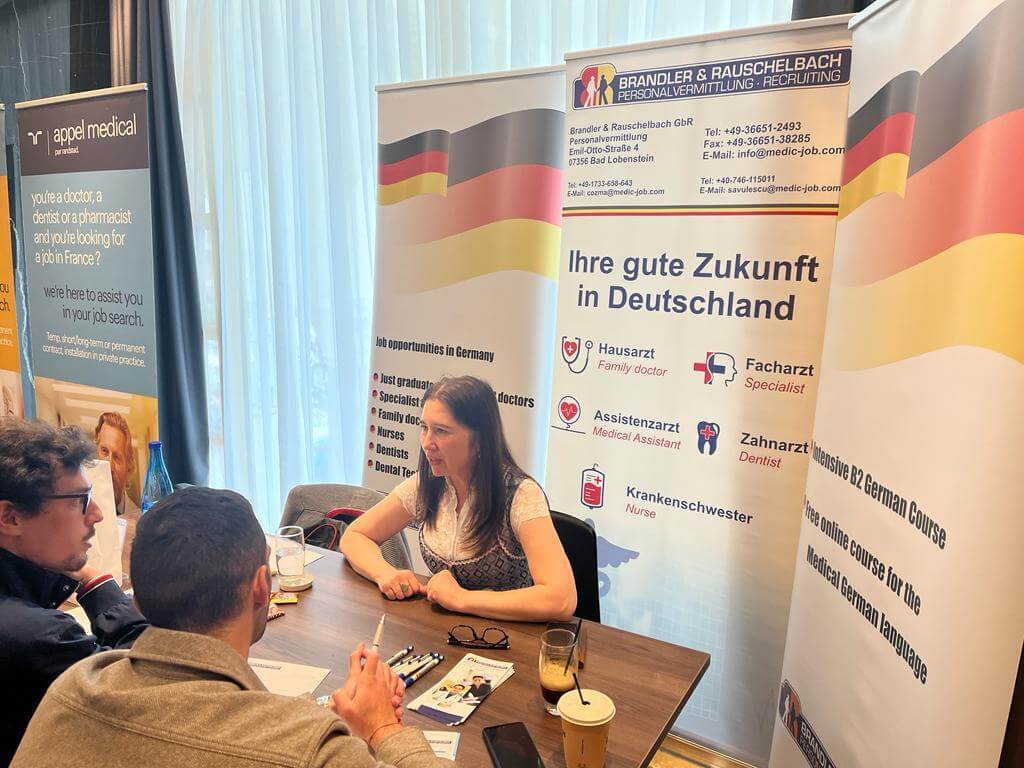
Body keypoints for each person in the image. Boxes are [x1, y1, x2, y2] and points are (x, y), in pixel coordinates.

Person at [12, 486, 454, 768]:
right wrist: (383, 731)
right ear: (263, 587)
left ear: (137, 599)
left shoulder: (71, 691)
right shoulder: (310, 749)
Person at [341, 375, 576, 622]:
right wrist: (385, 574)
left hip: (508, 635)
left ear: (480, 439)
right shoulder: (427, 484)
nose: (427, 443)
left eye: (441, 431)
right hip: (443, 629)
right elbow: (355, 536)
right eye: (424, 428)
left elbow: (561, 599)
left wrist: (461, 598)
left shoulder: (520, 494)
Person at [0, 420, 147, 766]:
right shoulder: (37, 636)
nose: (96, 514)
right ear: (10, 517)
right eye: (81, 500)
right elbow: (148, 682)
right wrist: (94, 581)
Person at [93, 412, 139, 519]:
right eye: (104, 451)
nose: (109, 466)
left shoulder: (139, 522)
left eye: (117, 457)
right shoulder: (79, 515)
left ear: (128, 467)